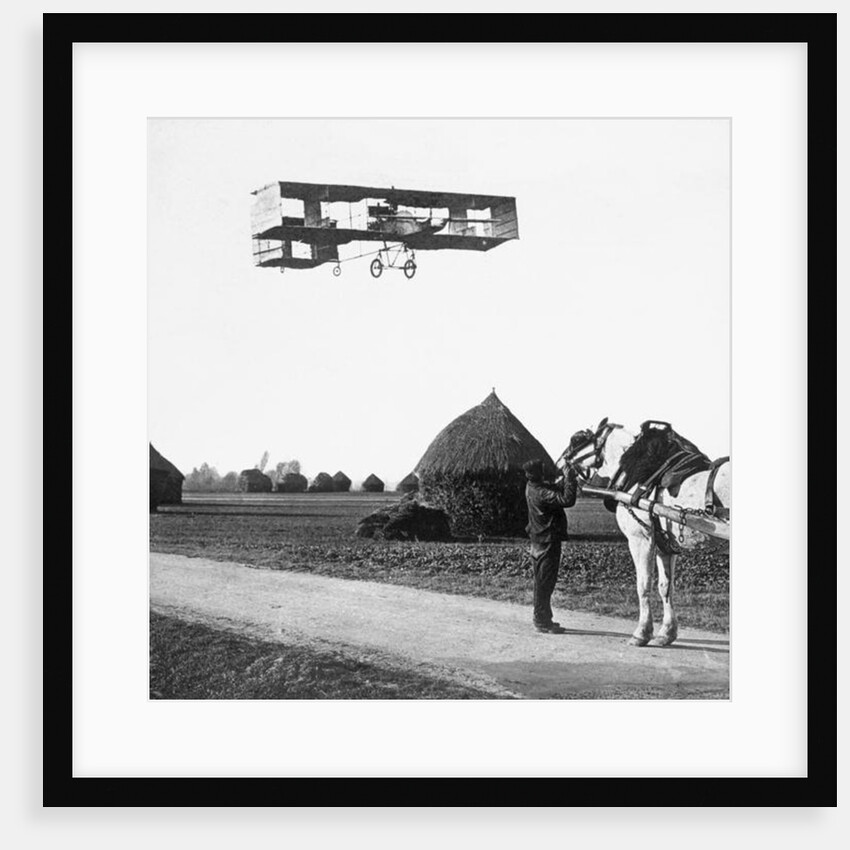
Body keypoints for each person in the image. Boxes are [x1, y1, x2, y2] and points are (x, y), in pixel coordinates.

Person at [523, 458, 578, 634]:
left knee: (543, 582)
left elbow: (552, 489)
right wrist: (570, 479)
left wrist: (564, 480)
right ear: (540, 474)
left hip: (539, 540)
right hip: (547, 541)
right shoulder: (541, 492)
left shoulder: (532, 487)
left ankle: (545, 619)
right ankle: (541, 621)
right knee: (545, 583)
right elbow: (567, 499)